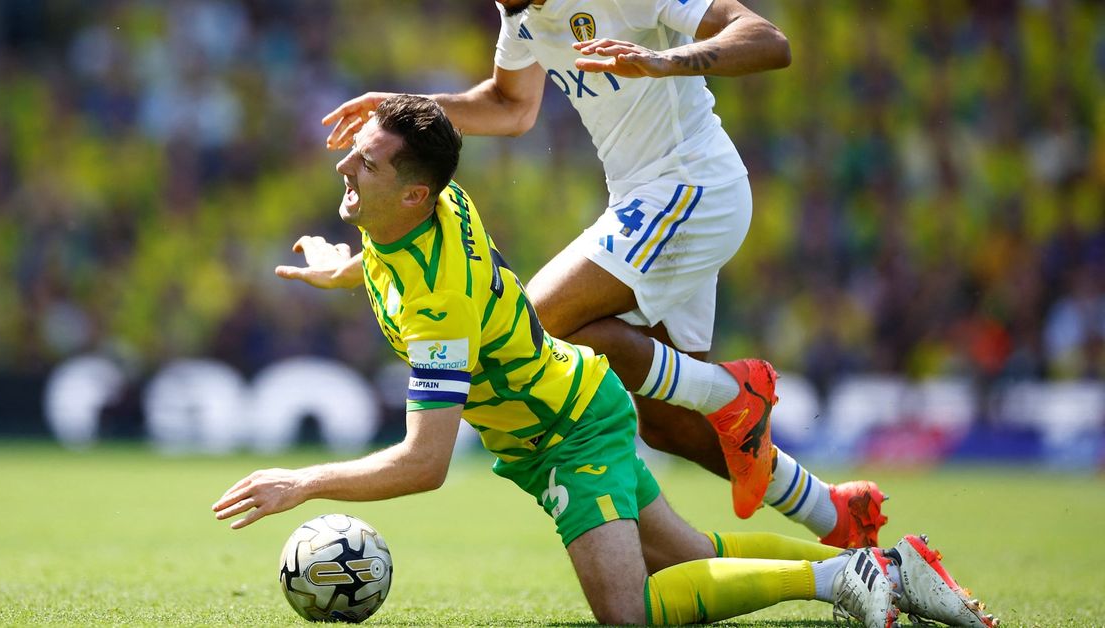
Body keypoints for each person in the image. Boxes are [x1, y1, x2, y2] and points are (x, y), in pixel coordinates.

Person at [213, 95, 996, 627]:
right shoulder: (430, 210)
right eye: (355, 155)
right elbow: (390, 257)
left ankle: (839, 579)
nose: (346, 169)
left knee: (630, 611)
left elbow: (425, 463)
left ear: (415, 195)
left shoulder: (437, 302)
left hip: (567, 431)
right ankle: (888, 566)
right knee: (692, 557)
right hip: (573, 403)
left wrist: (301, 481)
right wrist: (340, 263)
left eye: (368, 164)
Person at [319, 0, 886, 548]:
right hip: (644, 200)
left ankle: (731, 392)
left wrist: (664, 60)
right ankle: (833, 510)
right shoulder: (520, 15)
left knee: (533, 327)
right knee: (664, 423)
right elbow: (510, 105)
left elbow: (769, 40)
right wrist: (405, 104)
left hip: (691, 185)